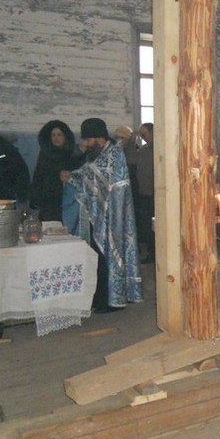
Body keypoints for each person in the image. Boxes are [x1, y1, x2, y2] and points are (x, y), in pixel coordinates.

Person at [61, 118, 142, 312]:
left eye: (88, 140)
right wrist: (72, 176)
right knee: (97, 258)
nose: (85, 144)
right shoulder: (96, 155)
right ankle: (100, 298)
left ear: (98, 138)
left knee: (110, 256)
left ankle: (113, 300)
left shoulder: (115, 154)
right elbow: (88, 173)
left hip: (114, 214)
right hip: (98, 214)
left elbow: (107, 180)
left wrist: (78, 175)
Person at [30, 120, 80, 222]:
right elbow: (38, 177)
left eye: (59, 135)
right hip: (48, 202)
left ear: (65, 137)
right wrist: (35, 199)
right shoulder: (45, 154)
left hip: (67, 202)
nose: (56, 138)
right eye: (53, 135)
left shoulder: (73, 154)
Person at [136, 123, 155, 263]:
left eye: (144, 134)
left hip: (156, 194)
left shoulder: (161, 149)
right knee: (147, 226)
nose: (143, 137)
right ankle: (151, 252)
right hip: (145, 193)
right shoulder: (143, 150)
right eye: (141, 135)